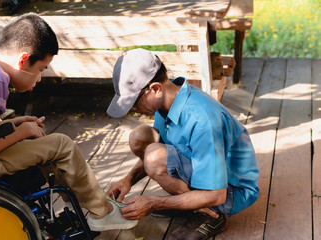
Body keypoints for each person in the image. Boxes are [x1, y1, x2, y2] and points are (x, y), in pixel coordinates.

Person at [0, 13, 137, 232]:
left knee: (43, 144)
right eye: (40, 69)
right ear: (23, 60)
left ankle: (82, 202)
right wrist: (23, 130)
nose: (38, 79)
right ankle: (102, 214)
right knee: (61, 144)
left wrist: (15, 124)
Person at [106, 48, 259, 239]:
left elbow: (217, 194)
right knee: (140, 137)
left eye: (134, 103)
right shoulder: (168, 100)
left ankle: (210, 214)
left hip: (229, 191)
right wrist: (127, 180)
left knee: (154, 156)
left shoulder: (202, 119)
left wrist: (154, 202)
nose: (133, 110)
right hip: (205, 173)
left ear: (155, 89)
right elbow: (161, 150)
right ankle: (191, 203)